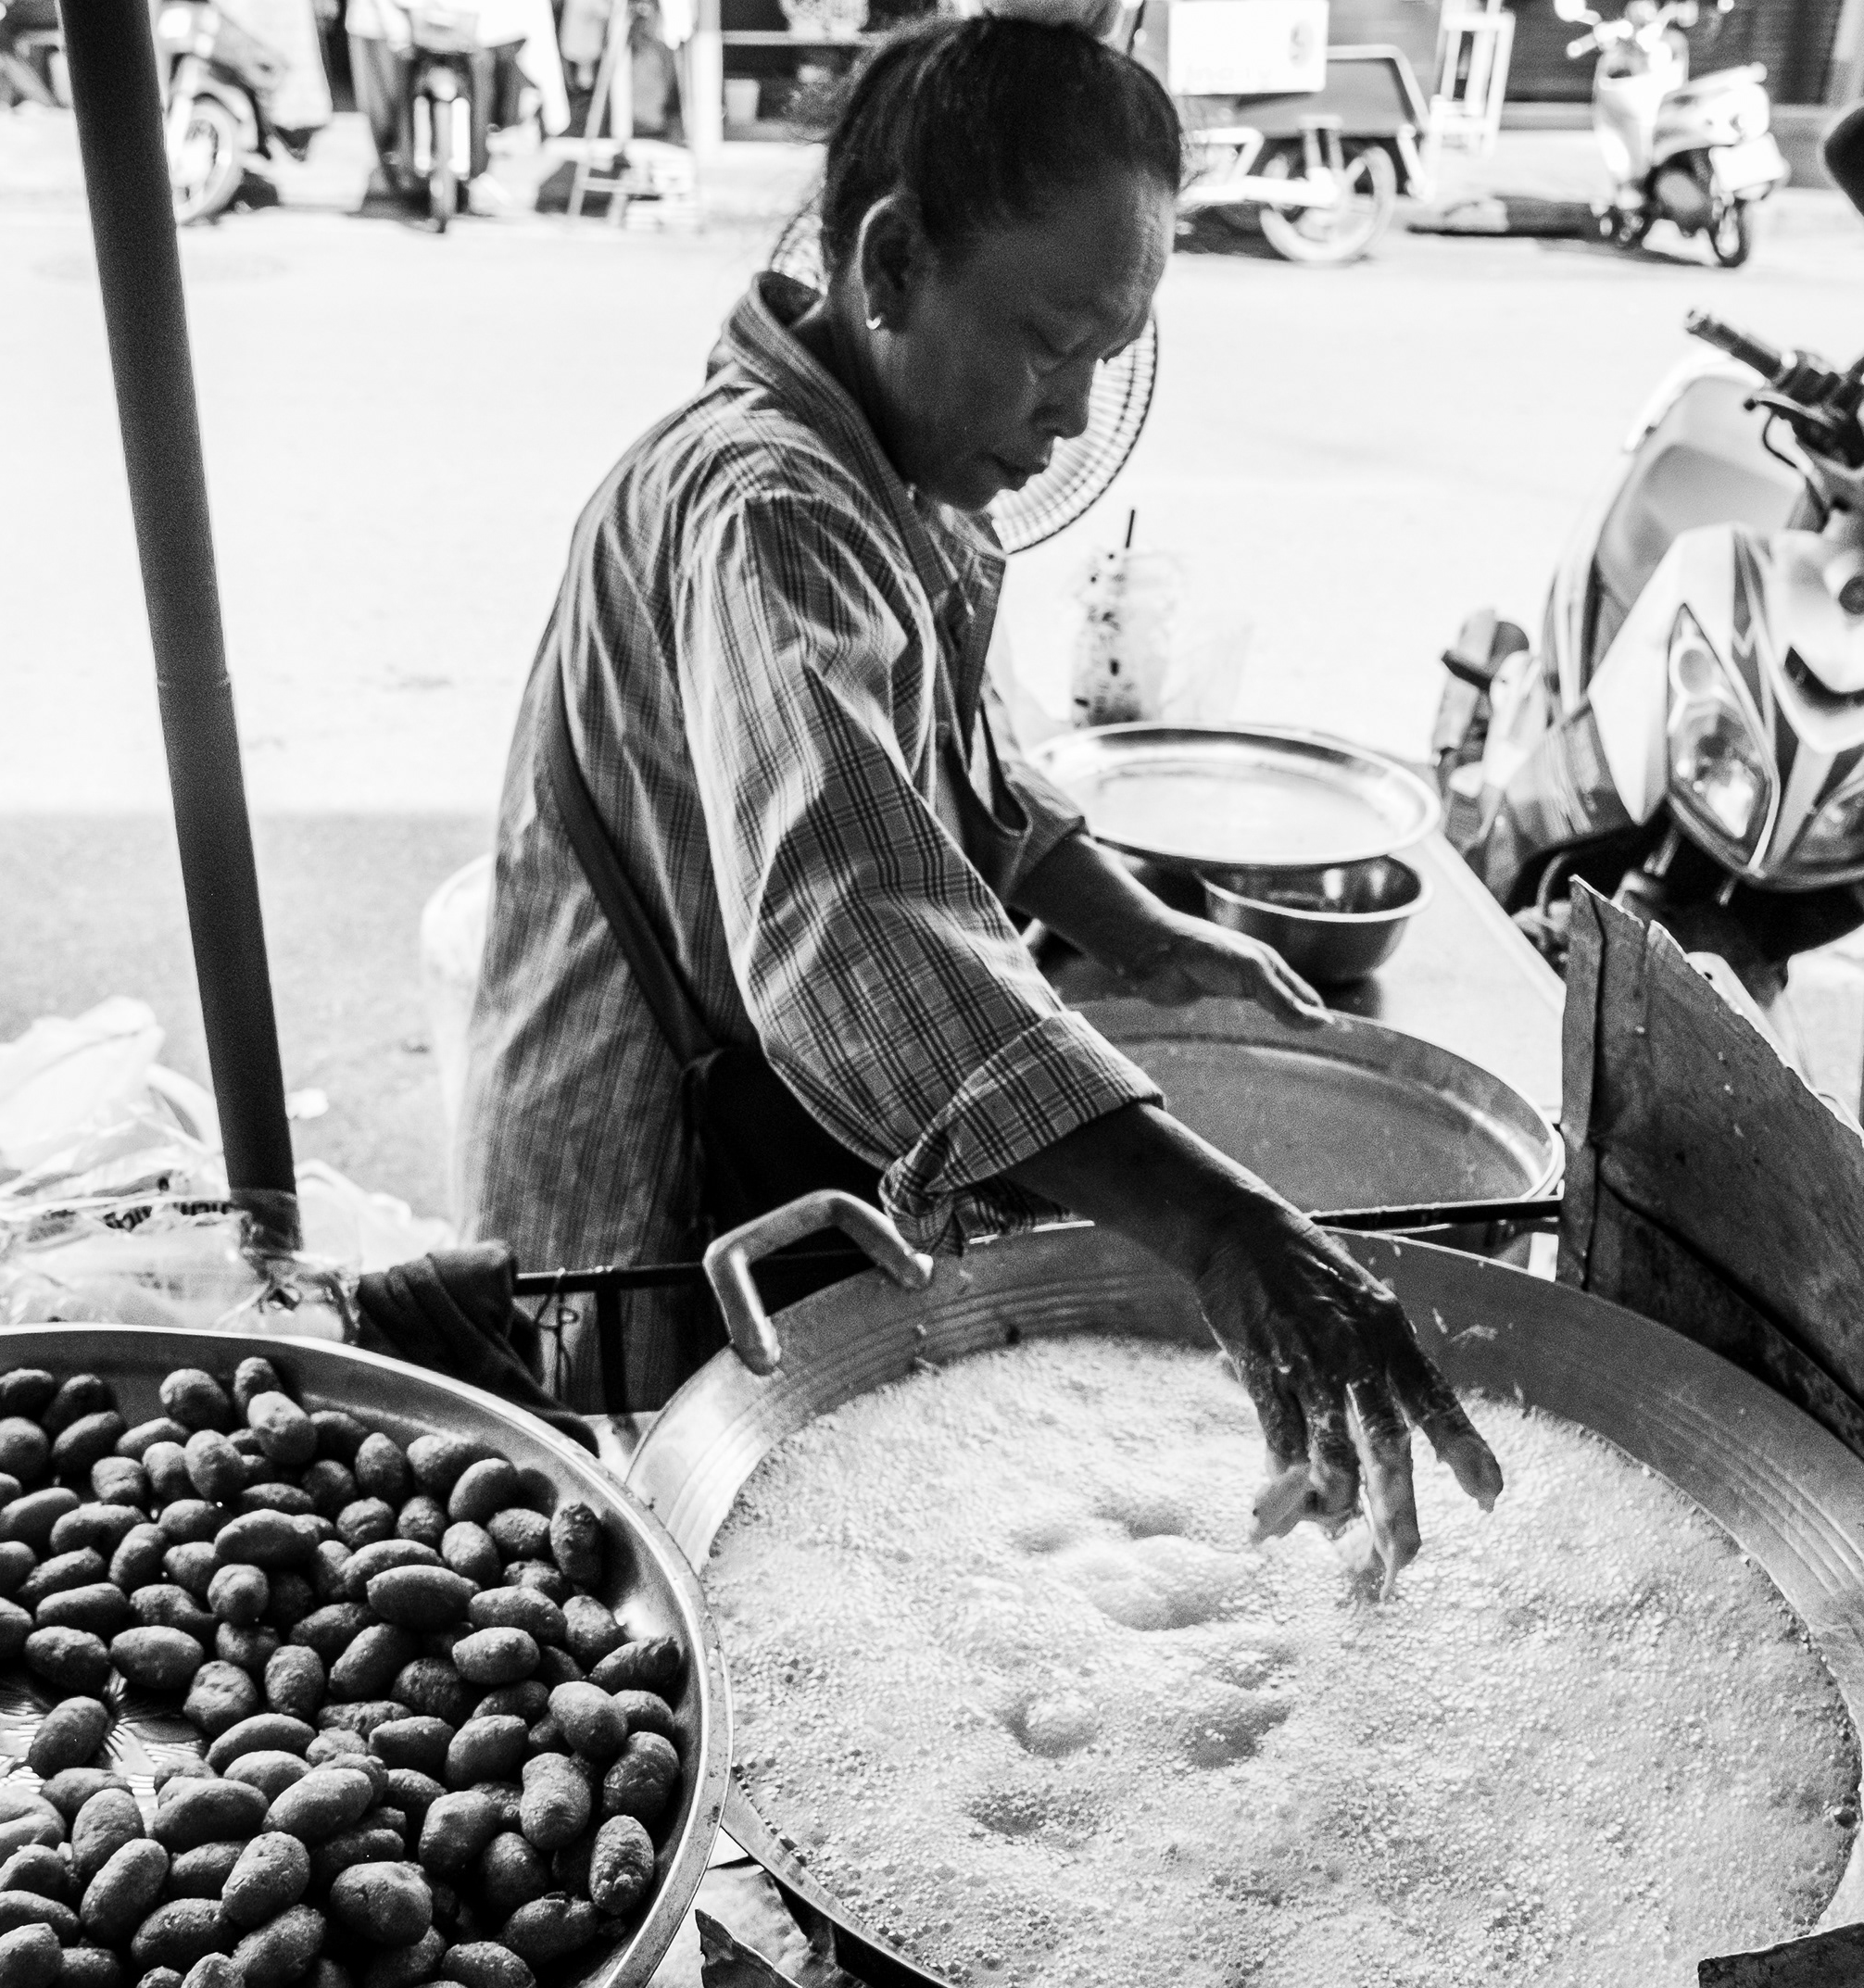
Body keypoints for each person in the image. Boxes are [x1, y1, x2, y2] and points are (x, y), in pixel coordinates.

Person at [457, 10, 1496, 1566]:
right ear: (887, 268)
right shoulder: (775, 513)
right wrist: (1234, 1232)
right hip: (656, 1203)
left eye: (1108, 357)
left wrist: (1140, 933)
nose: (1073, 410)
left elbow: (957, 769)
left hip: (758, 1134)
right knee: (698, 1547)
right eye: (1049, 342)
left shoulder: (892, 476)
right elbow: (856, 930)